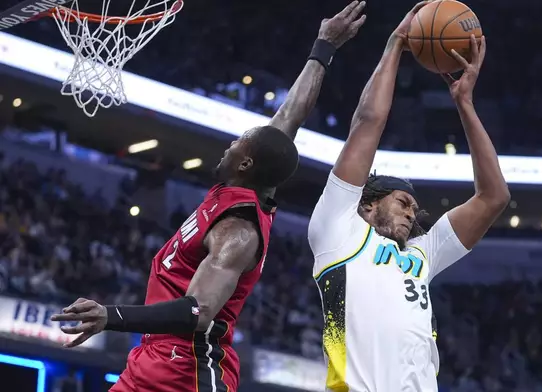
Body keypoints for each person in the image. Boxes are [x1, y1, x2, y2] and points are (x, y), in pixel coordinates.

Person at [50, 3, 367, 392]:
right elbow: (290, 116)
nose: (229, 144)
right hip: (150, 360)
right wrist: (324, 47)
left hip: (188, 373)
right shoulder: (234, 188)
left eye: (238, 143)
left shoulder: (239, 229)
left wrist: (110, 315)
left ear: (246, 163)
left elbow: (197, 312)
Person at [307, 2, 510, 391]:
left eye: (414, 209)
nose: (411, 214)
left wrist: (464, 104)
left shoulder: (420, 253)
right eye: (402, 202)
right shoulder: (338, 233)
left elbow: (493, 197)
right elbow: (368, 124)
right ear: (368, 204)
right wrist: (397, 44)